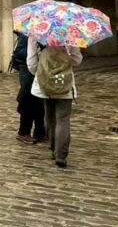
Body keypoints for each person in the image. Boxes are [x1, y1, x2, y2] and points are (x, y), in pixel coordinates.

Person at [27, 35, 82, 168]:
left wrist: (41, 73)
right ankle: (60, 154)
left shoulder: (36, 34)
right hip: (64, 83)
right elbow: (77, 60)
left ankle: (53, 147)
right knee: (63, 119)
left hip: (44, 82)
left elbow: (31, 62)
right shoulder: (71, 33)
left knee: (49, 116)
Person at [10, 31, 46, 144]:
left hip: (40, 68)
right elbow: (21, 53)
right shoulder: (29, 32)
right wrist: (37, 50)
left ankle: (40, 132)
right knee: (28, 100)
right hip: (28, 69)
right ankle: (24, 132)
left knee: (40, 101)